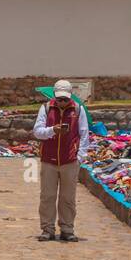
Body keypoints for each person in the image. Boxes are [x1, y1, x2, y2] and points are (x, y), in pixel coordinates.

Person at [33, 79, 89, 243]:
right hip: (49, 160)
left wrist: (80, 157)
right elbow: (37, 131)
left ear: (70, 96)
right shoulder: (45, 108)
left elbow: (84, 134)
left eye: (65, 99)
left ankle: (67, 228)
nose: (62, 102)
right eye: (59, 99)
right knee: (47, 196)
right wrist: (53, 130)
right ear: (55, 96)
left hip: (70, 161)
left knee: (68, 198)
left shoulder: (78, 109)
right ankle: (47, 229)